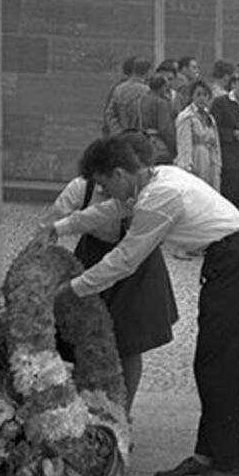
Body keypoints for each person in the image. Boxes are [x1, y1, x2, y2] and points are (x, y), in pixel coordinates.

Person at [45, 135, 239, 476]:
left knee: (223, 368)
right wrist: (59, 228)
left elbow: (125, 260)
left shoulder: (159, 196)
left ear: (120, 173)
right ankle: (207, 455)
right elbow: (112, 210)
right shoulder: (152, 179)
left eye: (105, 183)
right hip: (228, 262)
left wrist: (72, 289)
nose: (105, 192)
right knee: (209, 364)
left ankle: (231, 466)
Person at [47, 130, 178, 413]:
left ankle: (121, 414)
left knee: (129, 342)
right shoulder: (83, 187)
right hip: (93, 257)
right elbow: (54, 222)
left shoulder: (146, 193)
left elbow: (131, 254)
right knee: (81, 334)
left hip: (138, 266)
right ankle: (85, 406)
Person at [211, 71, 239, 205]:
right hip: (228, 160)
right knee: (228, 197)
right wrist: (232, 134)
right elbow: (213, 128)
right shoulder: (221, 103)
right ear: (235, 84)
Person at [175, 79, 221, 190]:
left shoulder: (210, 118)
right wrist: (186, 167)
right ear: (192, 96)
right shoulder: (186, 117)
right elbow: (184, 144)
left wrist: (217, 164)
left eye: (205, 95)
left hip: (209, 160)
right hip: (195, 158)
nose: (202, 98)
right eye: (198, 94)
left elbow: (216, 144)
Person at [104, 57, 152, 135]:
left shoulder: (119, 89)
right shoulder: (147, 91)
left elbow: (110, 113)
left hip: (121, 134)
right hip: (139, 135)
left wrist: (117, 130)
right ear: (148, 72)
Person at [137, 74, 177, 164]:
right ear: (162, 87)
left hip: (144, 139)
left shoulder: (142, 100)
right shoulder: (161, 103)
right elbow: (165, 128)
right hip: (159, 143)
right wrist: (173, 146)